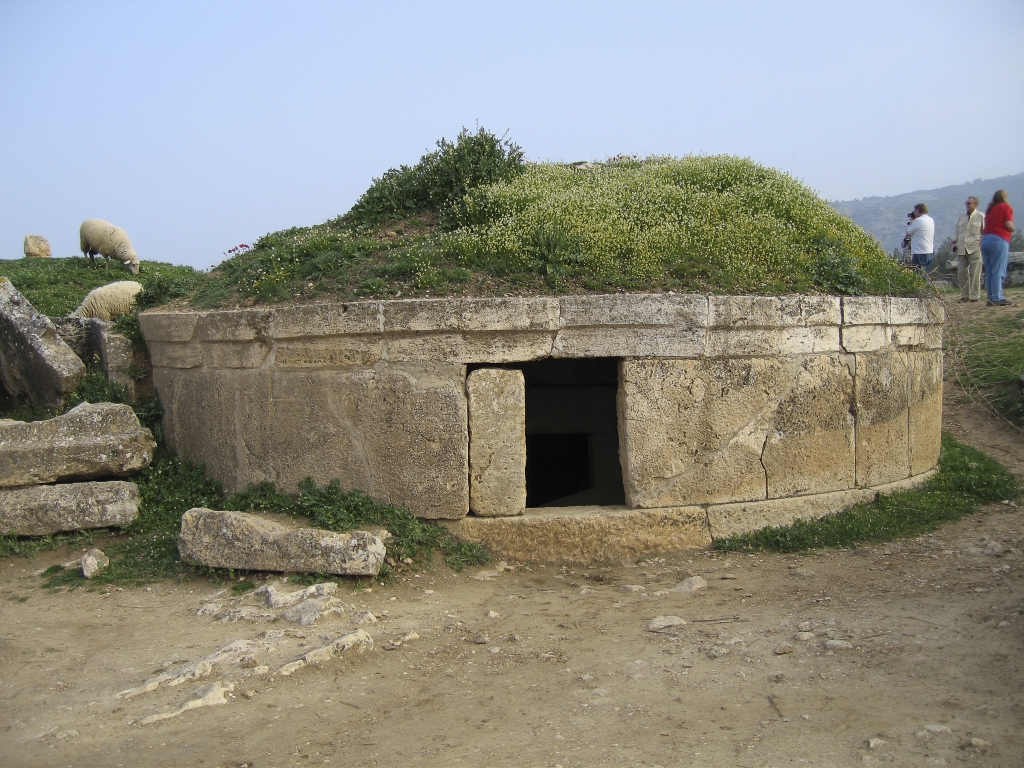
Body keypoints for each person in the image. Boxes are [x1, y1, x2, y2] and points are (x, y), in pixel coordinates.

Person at [981, 190, 1015, 306]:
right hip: (999, 239)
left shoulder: (990, 209)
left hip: (985, 239)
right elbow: (1008, 224)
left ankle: (990, 297)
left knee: (989, 271)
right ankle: (997, 297)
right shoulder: (1005, 207)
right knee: (998, 270)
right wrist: (1012, 229)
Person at [954, 196, 985, 302]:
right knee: (961, 272)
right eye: (966, 203)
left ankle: (975, 296)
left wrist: (982, 242)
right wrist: (954, 242)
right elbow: (957, 231)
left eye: (969, 203)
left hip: (974, 247)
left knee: (975, 273)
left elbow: (985, 232)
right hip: (962, 247)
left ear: (975, 204)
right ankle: (965, 295)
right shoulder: (962, 216)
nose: (967, 205)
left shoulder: (980, 216)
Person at [905, 203, 935, 277]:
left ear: (918, 210)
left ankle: (921, 288)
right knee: (926, 274)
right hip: (929, 251)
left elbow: (909, 232)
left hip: (920, 252)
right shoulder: (930, 220)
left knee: (919, 276)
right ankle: (927, 287)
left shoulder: (919, 220)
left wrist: (912, 221)